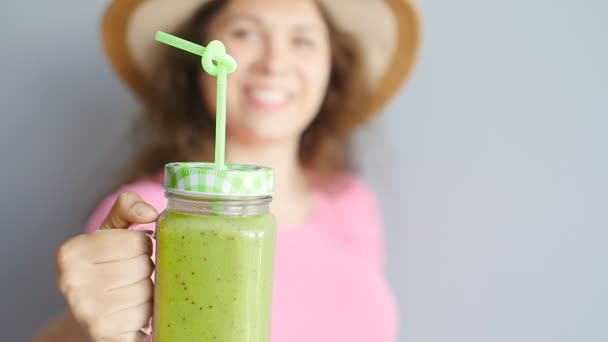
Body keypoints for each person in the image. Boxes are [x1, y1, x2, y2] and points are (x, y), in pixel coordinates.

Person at [36, 0, 421, 340]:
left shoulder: (352, 201)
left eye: (302, 39)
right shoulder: (149, 215)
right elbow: (98, 327)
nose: (274, 63)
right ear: (199, 61)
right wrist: (81, 332)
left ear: (331, 68)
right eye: (246, 33)